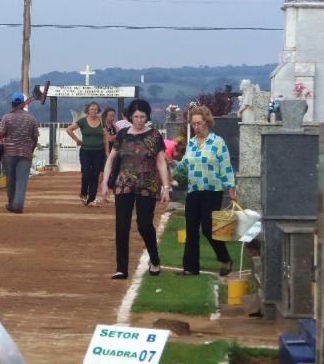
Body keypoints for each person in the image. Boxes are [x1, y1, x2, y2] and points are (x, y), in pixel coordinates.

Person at [100, 99, 170, 279]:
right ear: (130, 116)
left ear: (147, 117)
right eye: (136, 116)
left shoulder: (154, 136)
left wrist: (166, 187)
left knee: (144, 224)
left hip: (148, 185)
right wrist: (105, 182)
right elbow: (112, 158)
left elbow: (161, 162)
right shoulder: (122, 134)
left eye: (142, 117)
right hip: (124, 184)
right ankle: (121, 268)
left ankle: (154, 259)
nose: (139, 120)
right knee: (121, 226)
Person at [171, 105, 236, 276]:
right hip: (194, 190)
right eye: (193, 124)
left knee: (208, 228)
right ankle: (190, 268)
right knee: (191, 228)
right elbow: (184, 167)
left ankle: (225, 259)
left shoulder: (217, 142)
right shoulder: (191, 143)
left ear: (207, 122)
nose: (196, 127)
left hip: (212, 190)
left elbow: (226, 166)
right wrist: (172, 163)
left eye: (199, 123)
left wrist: (230, 187)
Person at [0, 92, 39, 213]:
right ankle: (18, 205)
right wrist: (31, 149)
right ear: (23, 104)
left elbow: (1, 134)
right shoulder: (32, 118)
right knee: (21, 180)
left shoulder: (7, 117)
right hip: (25, 153)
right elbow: (35, 138)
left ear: (12, 103)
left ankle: (11, 203)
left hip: (9, 153)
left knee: (11, 180)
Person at [67, 102, 104, 206]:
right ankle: (83, 193)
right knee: (86, 173)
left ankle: (91, 198)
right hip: (85, 151)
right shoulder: (83, 121)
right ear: (88, 110)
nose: (94, 111)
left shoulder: (102, 121)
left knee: (95, 175)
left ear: (98, 111)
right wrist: (77, 140)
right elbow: (69, 129)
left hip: (99, 151)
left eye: (96, 109)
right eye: (92, 109)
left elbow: (106, 134)